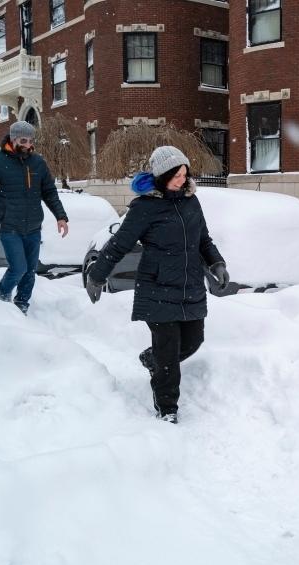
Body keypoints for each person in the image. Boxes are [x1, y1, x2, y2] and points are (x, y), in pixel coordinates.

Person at [85, 146, 228, 424]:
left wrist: (216, 264)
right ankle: (167, 407)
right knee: (168, 351)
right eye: (176, 175)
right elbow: (119, 244)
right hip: (158, 287)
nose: (182, 180)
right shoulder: (144, 207)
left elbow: (204, 240)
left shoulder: (191, 201)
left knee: (193, 340)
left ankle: (153, 361)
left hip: (189, 286)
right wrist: (97, 274)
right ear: (162, 176)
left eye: (185, 174)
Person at [0, 121, 69, 314]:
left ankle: (22, 305)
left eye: (31, 141)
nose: (28, 145)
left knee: (30, 272)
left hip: (33, 227)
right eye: (23, 140)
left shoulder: (37, 162)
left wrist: (60, 216)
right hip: (9, 227)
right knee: (19, 268)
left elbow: (49, 192)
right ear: (13, 140)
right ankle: (2, 296)